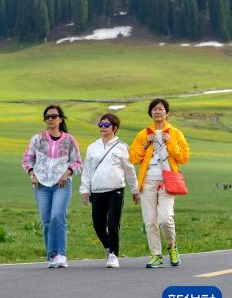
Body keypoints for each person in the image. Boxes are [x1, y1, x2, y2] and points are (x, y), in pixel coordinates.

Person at [128, 98, 190, 268]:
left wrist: (170, 142)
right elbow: (133, 158)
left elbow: (184, 157)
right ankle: (156, 255)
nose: (158, 111)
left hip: (168, 181)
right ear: (151, 113)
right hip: (147, 182)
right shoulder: (143, 134)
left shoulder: (176, 133)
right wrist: (147, 143)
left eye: (161, 109)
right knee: (150, 221)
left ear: (166, 113)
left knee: (165, 219)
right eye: (154, 109)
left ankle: (172, 246)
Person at [23, 104, 82, 268]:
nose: (50, 119)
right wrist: (32, 174)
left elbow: (77, 162)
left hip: (61, 184)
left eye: (54, 116)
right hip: (41, 185)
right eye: (47, 117)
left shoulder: (69, 140)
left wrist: (67, 173)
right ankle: (52, 255)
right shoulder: (37, 138)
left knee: (57, 216)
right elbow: (27, 159)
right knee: (46, 220)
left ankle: (61, 254)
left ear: (60, 119)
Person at [79, 112, 139, 268]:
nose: (102, 127)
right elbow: (87, 170)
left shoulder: (122, 147)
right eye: (101, 124)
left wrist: (135, 190)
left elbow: (129, 170)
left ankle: (113, 254)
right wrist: (85, 190)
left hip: (116, 190)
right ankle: (107, 247)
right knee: (98, 225)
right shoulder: (93, 147)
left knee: (112, 223)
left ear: (114, 128)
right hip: (97, 191)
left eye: (106, 125)